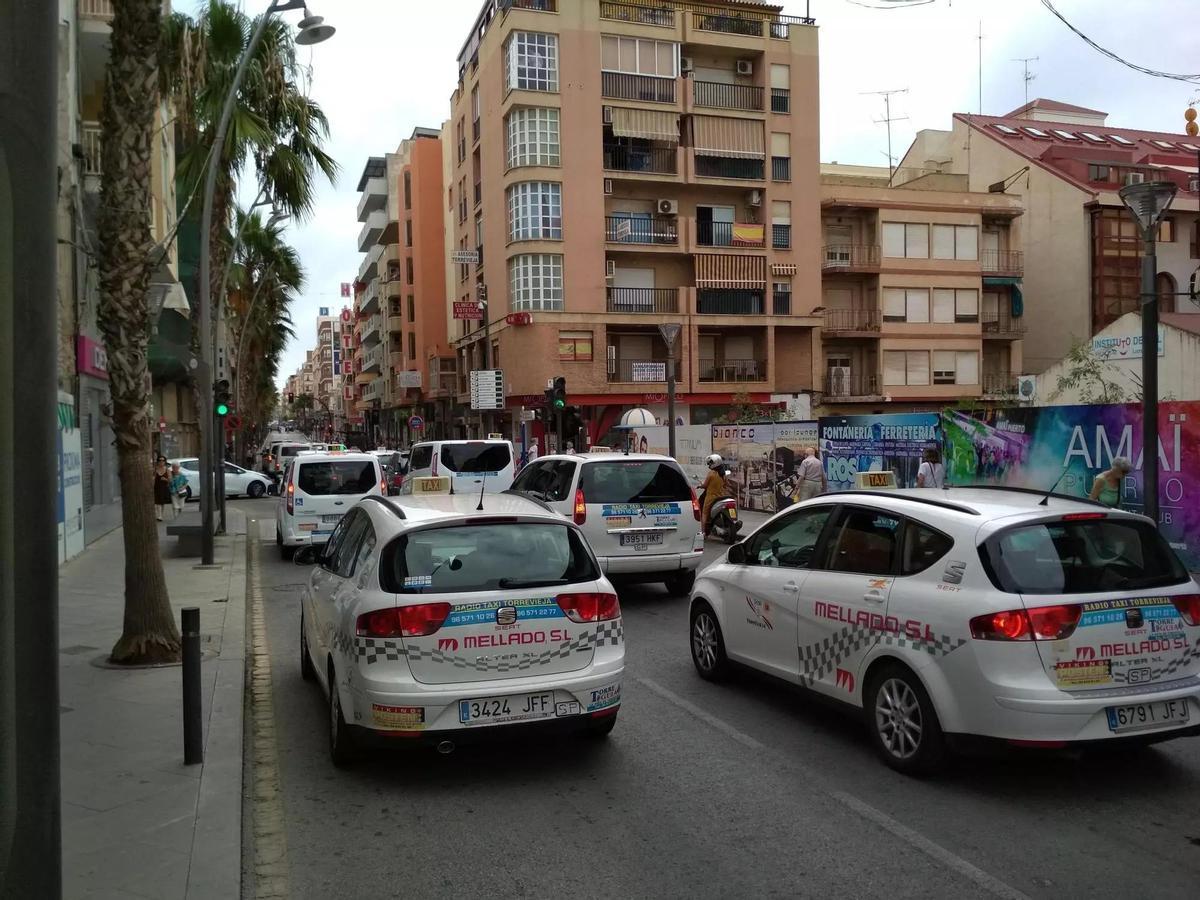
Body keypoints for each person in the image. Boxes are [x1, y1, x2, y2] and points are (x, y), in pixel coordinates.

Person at [701, 453, 731, 536]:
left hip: (711, 498)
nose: (709, 465)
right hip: (721, 497)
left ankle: (703, 532)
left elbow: (705, 485)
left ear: (714, 463)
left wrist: (700, 485)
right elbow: (727, 484)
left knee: (704, 514)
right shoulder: (723, 474)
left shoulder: (711, 474)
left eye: (710, 463)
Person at [153, 456, 172, 521]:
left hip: (164, 488)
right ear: (158, 462)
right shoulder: (155, 470)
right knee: (156, 503)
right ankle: (159, 515)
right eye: (160, 460)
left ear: (165, 462)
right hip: (156, 488)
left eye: (163, 460)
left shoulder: (167, 470)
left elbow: (170, 480)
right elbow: (152, 478)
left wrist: (165, 479)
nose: (161, 462)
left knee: (162, 502)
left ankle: (160, 515)